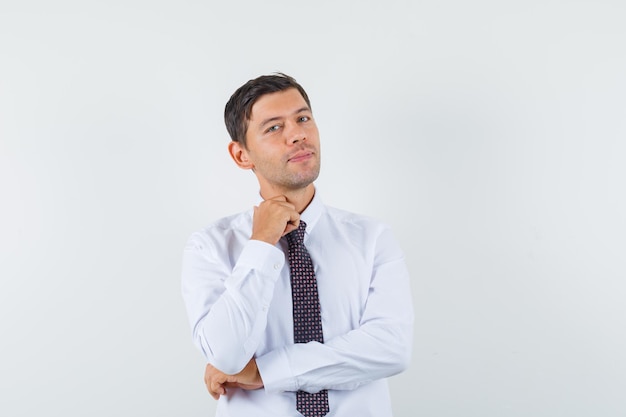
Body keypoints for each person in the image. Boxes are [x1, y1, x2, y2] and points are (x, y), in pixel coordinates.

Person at [181, 73, 414, 417]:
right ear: (242, 155)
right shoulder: (210, 246)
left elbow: (391, 348)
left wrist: (265, 372)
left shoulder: (371, 237)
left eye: (303, 118)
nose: (298, 134)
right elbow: (226, 356)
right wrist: (261, 244)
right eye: (274, 127)